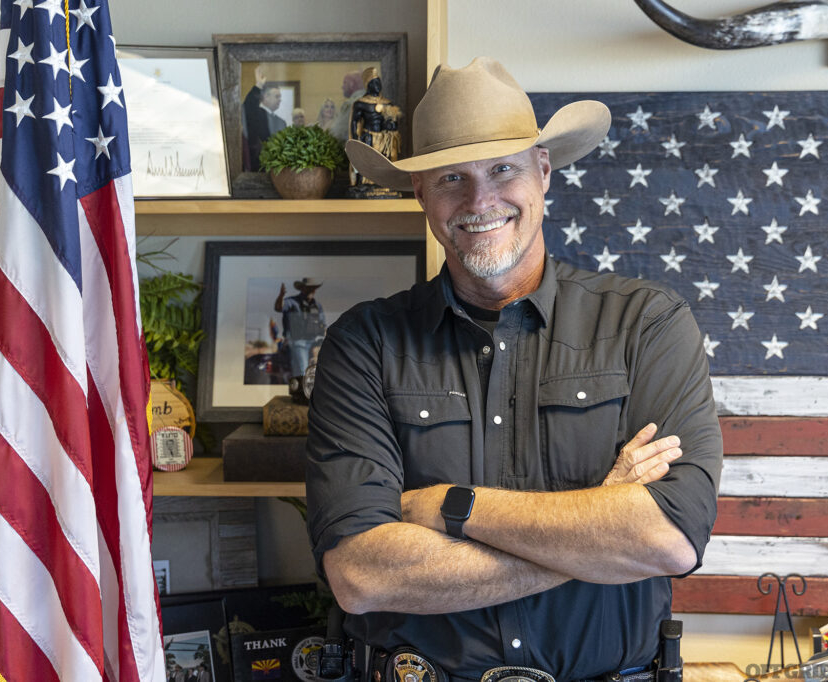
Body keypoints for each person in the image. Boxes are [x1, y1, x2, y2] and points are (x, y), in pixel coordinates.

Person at [306, 57, 723, 681]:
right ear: (420, 192)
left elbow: (667, 538)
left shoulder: (649, 324)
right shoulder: (364, 344)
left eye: (503, 169)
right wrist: (596, 529)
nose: (481, 200)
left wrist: (455, 508)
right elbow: (363, 574)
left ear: (544, 172)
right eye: (451, 177)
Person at [349, 66, 402, 189]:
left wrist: (391, 126)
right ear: (368, 84)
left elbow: (393, 121)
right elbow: (354, 122)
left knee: (384, 163)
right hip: (369, 137)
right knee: (369, 162)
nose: (377, 85)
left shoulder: (387, 103)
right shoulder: (361, 103)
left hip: (385, 139)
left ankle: (384, 183)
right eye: (374, 82)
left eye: (379, 82)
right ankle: (367, 183)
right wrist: (356, 140)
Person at [274, 277, 326, 378]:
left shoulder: (317, 305)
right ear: (302, 288)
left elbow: (323, 325)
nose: (312, 290)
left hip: (315, 342)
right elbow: (278, 307)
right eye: (308, 288)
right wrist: (281, 296)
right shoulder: (291, 302)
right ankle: (304, 389)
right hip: (298, 342)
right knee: (303, 370)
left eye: (313, 288)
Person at [241, 65, 287, 171]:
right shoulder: (256, 114)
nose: (280, 100)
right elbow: (248, 107)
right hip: (258, 167)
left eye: (280, 97)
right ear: (266, 97)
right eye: (277, 96)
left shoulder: (281, 122)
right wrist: (258, 85)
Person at [329, 69, 364, 142]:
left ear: (351, 84)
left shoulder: (352, 104)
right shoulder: (374, 100)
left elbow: (337, 133)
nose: (342, 87)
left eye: (344, 83)